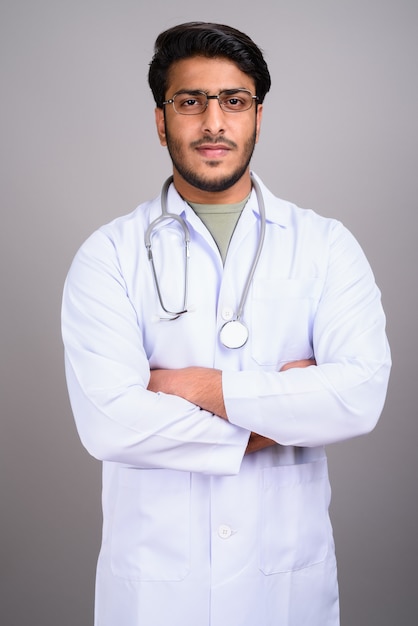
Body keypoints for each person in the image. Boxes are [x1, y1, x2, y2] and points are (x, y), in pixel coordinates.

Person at [61, 21, 391, 626]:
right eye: (190, 101)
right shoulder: (108, 253)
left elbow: (359, 394)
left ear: (258, 117)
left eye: (233, 101)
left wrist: (195, 387)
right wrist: (281, 415)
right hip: (158, 594)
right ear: (161, 121)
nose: (213, 122)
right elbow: (109, 421)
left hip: (285, 586)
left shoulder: (324, 245)